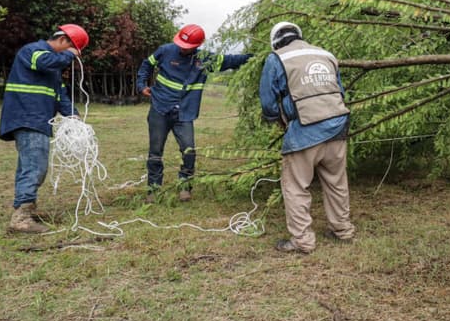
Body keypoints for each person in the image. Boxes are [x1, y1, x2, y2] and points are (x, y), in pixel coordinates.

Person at [259, 21, 355, 254]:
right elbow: (339, 91)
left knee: (295, 186)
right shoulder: (326, 54)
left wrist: (278, 120)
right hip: (338, 124)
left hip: (305, 129)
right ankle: (342, 230)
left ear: (275, 41)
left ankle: (302, 241)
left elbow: (268, 101)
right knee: (336, 181)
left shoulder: (277, 58)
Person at [136, 23, 252, 203]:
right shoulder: (165, 51)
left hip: (184, 113)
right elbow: (146, 65)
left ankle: (185, 186)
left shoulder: (205, 59)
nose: (182, 49)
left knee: (189, 151)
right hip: (160, 108)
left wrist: (255, 58)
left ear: (197, 46)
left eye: (187, 47)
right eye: (181, 45)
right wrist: (142, 84)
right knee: (155, 151)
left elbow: (231, 60)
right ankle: (153, 189)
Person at [0, 24, 89, 233]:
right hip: (28, 117)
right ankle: (21, 218)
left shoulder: (52, 70)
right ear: (63, 41)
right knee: (35, 167)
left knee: (29, 165)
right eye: (72, 51)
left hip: (37, 119)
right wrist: (69, 55)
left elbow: (60, 95)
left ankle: (27, 208)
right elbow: (44, 62)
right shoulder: (33, 52)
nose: (71, 59)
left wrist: (72, 114)